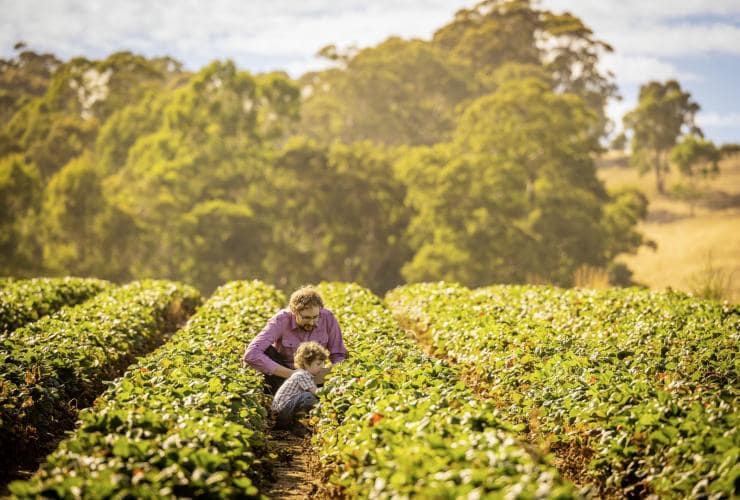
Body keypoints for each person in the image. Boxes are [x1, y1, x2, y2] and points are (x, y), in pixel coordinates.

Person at [242, 285, 348, 394]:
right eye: (306, 318)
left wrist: (329, 373)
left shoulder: (328, 318)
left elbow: (338, 354)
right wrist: (292, 374)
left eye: (315, 317)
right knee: (266, 351)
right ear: (294, 312)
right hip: (284, 378)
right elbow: (251, 354)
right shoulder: (281, 319)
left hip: (315, 377)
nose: (311, 323)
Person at [271, 341, 328, 436]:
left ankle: (294, 426)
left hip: (285, 410)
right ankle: (293, 422)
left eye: (323, 364)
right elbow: (316, 392)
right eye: (318, 364)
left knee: (308, 398)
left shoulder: (306, 375)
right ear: (306, 363)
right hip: (281, 412)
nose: (322, 367)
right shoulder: (302, 375)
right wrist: (331, 392)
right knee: (308, 397)